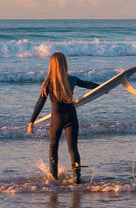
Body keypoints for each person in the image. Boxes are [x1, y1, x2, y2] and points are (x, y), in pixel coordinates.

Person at [28, 52, 98, 184]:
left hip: (57, 119)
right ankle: (77, 177)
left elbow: (40, 102)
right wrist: (101, 87)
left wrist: (32, 121)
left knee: (53, 148)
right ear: (65, 64)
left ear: (51, 65)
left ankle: (53, 178)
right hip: (71, 118)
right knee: (73, 149)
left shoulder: (48, 82)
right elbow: (88, 84)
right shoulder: (72, 79)